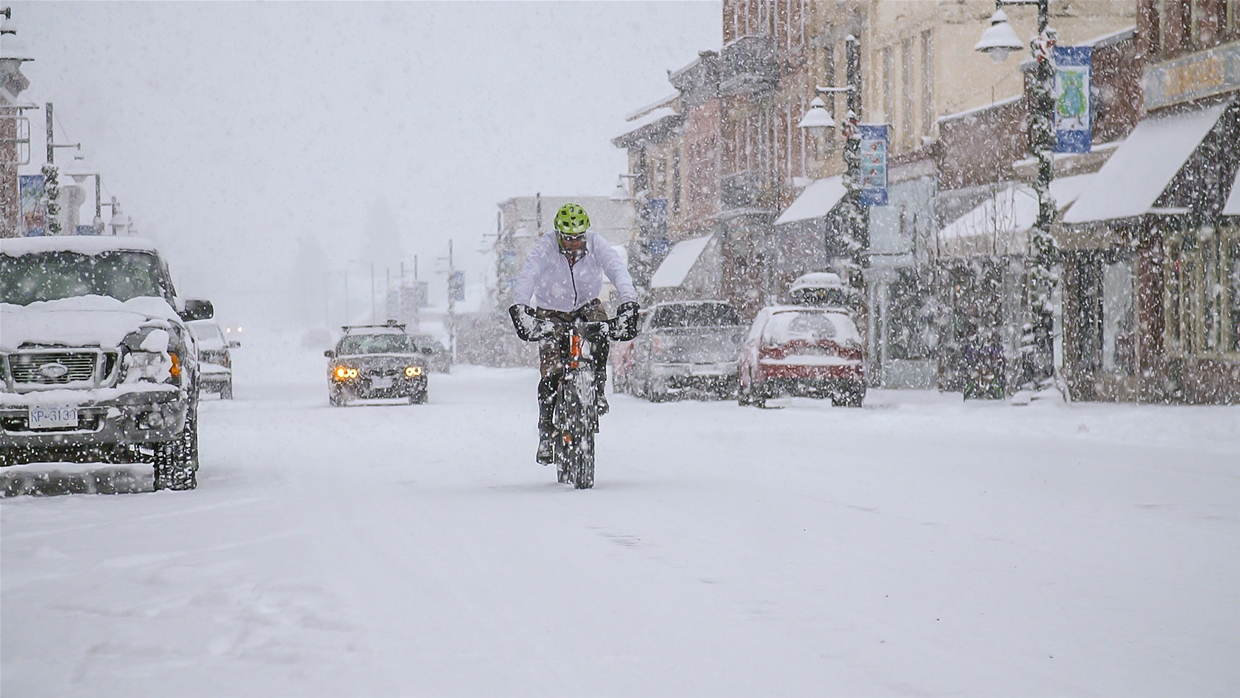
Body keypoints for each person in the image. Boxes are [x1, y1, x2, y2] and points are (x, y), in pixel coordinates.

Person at [508, 203, 640, 464]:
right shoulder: (545, 247)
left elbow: (617, 269)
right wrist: (521, 308)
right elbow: (527, 277)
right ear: (558, 234)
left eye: (578, 237)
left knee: (601, 334)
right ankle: (546, 433)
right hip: (550, 311)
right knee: (550, 373)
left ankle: (597, 390)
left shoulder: (596, 244)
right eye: (568, 238)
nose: (573, 243)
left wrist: (628, 302)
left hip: (587, 306)